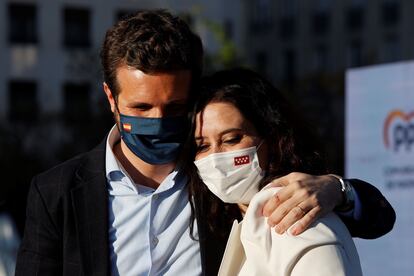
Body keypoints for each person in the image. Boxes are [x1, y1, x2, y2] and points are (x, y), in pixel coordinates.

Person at [15, 10, 395, 275]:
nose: (158, 121)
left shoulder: (218, 179)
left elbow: (379, 218)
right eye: (141, 107)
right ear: (111, 99)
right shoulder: (57, 193)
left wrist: (336, 188)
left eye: (175, 106)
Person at [189, 68, 364, 275]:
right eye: (202, 146)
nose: (216, 158)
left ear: (271, 137)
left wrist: (340, 189)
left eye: (231, 139)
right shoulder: (217, 221)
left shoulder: (302, 221)